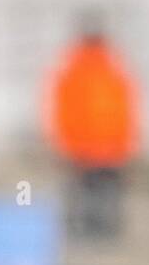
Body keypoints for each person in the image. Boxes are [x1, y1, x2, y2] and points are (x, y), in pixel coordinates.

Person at [45, 14, 140, 238]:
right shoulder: (104, 71)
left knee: (103, 202)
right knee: (85, 201)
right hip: (85, 152)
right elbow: (64, 113)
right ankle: (87, 236)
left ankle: (102, 235)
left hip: (104, 152)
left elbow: (125, 113)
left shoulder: (109, 71)